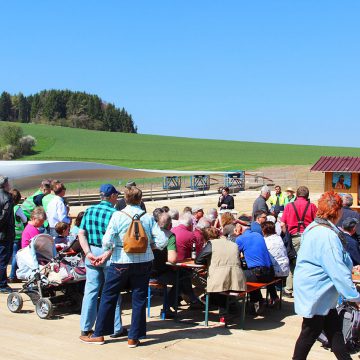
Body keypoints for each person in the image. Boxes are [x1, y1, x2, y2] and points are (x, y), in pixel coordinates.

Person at [80, 186, 167, 347]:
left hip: (121, 260)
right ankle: (134, 337)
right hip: (144, 261)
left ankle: (99, 334)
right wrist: (148, 247)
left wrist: (114, 247)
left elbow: (106, 241)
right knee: (139, 298)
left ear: (125, 199)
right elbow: (162, 241)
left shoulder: (118, 215)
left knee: (108, 296)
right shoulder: (147, 218)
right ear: (140, 199)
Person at [292, 191, 360, 360]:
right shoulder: (326, 235)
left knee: (334, 331)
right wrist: (354, 296)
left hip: (318, 291)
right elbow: (337, 270)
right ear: (337, 212)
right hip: (317, 292)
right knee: (310, 332)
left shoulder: (316, 226)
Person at [78, 184, 124, 338]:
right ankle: (115, 328)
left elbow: (81, 233)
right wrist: (107, 254)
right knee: (112, 291)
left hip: (91, 252)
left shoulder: (89, 210)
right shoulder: (115, 213)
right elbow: (117, 240)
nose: (117, 198)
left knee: (90, 291)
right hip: (109, 254)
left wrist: (88, 253)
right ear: (111, 196)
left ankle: (85, 327)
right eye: (115, 195)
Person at [195, 227, 246, 324]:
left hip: (220, 281)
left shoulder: (211, 244)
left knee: (217, 284)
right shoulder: (233, 244)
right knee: (223, 284)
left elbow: (198, 260)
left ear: (206, 238)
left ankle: (209, 303)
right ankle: (223, 312)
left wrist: (208, 263)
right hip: (237, 280)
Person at [281, 186, 317, 298]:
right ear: (307, 196)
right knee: (307, 265)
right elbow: (317, 223)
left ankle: (289, 288)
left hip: (293, 237)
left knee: (292, 262)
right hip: (308, 237)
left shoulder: (289, 206)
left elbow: (282, 224)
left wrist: (286, 236)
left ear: (296, 195)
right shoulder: (312, 206)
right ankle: (304, 289)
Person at [235, 222, 276, 314]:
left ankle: (255, 302)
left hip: (259, 274)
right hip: (270, 273)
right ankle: (258, 302)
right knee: (250, 274)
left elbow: (233, 255)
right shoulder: (258, 235)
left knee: (238, 275)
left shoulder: (240, 239)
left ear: (240, 229)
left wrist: (236, 236)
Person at [9, 189, 27, 283]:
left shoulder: (8, 207)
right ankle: (13, 275)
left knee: (10, 256)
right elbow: (24, 220)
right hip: (18, 235)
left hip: (10, 234)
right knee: (16, 255)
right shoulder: (17, 208)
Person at [0, 176, 15, 293]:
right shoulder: (7, 198)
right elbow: (4, 218)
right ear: (5, 185)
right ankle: (2, 285)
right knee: (3, 259)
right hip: (5, 234)